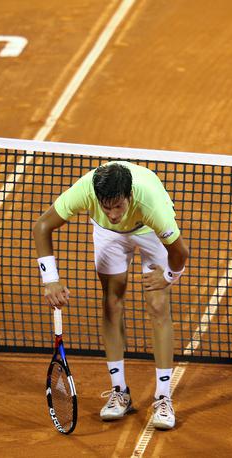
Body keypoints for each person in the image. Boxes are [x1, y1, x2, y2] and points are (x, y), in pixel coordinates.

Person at [33, 161, 189, 430]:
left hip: (147, 232)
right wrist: (51, 280)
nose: (113, 213)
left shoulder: (152, 204)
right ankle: (120, 392)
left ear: (129, 197)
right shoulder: (85, 191)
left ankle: (163, 398)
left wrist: (167, 277)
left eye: (118, 206)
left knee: (158, 303)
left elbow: (180, 253)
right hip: (108, 236)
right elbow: (42, 226)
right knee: (112, 303)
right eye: (106, 207)